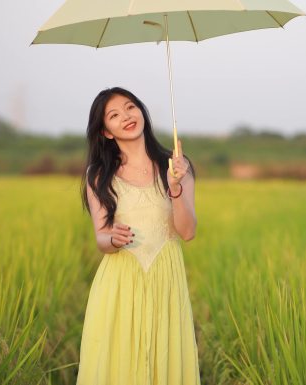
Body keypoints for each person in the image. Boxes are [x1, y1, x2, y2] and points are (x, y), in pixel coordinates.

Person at [76, 87, 201, 385]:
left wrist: (175, 186)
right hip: (119, 282)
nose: (126, 117)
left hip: (165, 279)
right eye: (114, 115)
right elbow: (101, 239)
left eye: (130, 107)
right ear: (106, 131)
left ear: (142, 111)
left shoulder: (176, 166)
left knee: (163, 361)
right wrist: (113, 238)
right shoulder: (99, 174)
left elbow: (187, 232)